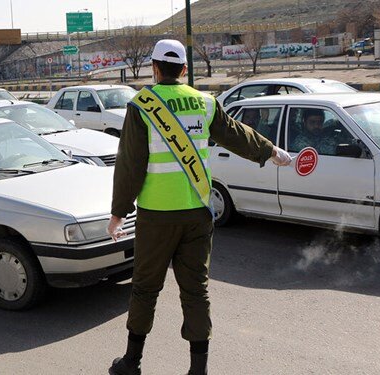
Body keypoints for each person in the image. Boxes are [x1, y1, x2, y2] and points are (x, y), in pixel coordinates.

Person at [107, 39, 292, 375]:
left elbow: (131, 164)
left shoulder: (141, 106)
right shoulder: (204, 103)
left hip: (157, 216)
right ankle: (198, 370)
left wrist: (119, 211)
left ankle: (131, 363)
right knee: (195, 290)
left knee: (146, 287)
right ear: (185, 70)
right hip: (197, 214)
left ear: (155, 68)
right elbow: (236, 133)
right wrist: (270, 151)